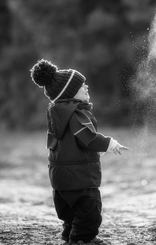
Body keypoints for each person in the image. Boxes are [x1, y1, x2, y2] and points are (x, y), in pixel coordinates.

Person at [30, 59, 128, 245]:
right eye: (82, 86)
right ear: (70, 94)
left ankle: (70, 236)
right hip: (80, 179)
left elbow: (70, 143)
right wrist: (110, 143)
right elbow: (89, 139)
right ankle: (82, 239)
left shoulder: (56, 114)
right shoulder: (76, 114)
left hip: (60, 180)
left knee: (72, 214)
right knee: (89, 213)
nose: (87, 87)